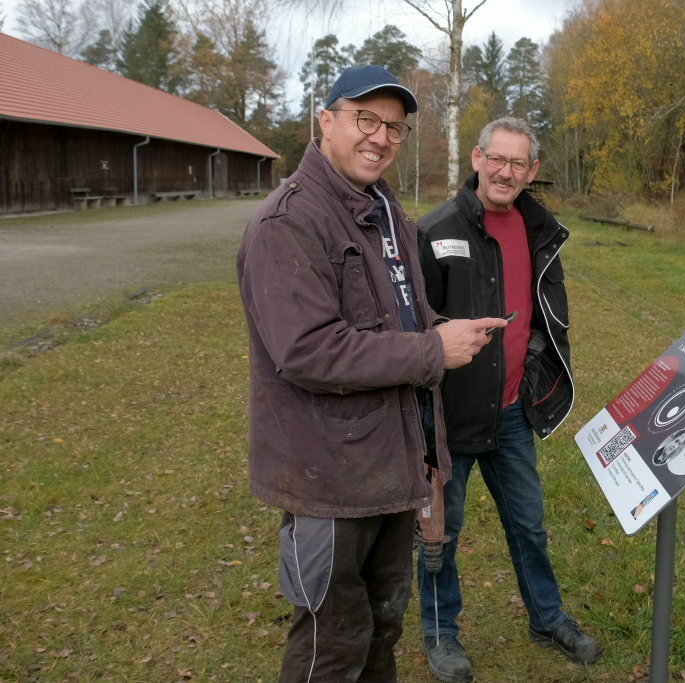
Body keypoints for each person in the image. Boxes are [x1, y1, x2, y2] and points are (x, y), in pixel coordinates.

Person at [236, 65, 506, 683]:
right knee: (332, 642)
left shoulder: (385, 212)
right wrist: (432, 349)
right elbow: (307, 351)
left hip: (390, 464)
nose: (380, 137)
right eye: (365, 119)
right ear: (325, 120)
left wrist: (442, 331)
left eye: (394, 127)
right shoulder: (289, 223)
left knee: (384, 625)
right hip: (330, 475)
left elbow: (394, 318)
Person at [415, 117, 603, 683]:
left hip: (514, 412)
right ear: (477, 158)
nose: (505, 171)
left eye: (518, 163)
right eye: (497, 159)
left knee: (529, 525)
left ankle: (547, 619)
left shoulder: (540, 230)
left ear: (532, 170)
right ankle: (441, 632)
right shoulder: (436, 231)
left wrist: (537, 371)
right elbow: (415, 330)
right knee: (441, 533)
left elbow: (545, 315)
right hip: (450, 417)